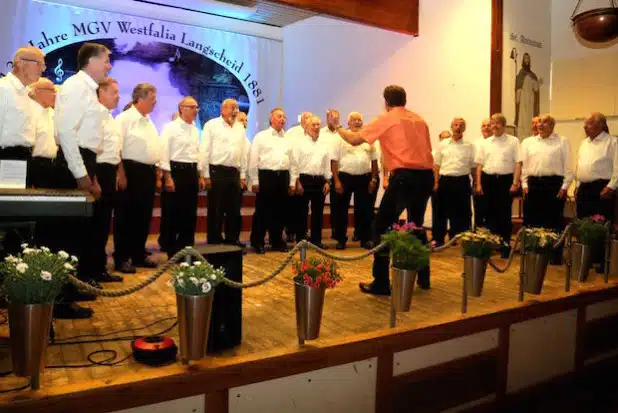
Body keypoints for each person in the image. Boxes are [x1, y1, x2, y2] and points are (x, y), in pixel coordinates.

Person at [336, 85, 434, 295]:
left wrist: (336, 127)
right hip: (425, 176)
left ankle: (381, 282)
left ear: (386, 102)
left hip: (405, 177)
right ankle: (424, 276)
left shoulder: (388, 118)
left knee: (380, 227)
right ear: (404, 100)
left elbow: (354, 139)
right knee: (416, 225)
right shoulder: (420, 119)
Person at [114, 83, 160, 273]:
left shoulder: (148, 120)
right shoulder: (124, 119)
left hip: (147, 173)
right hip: (131, 171)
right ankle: (122, 257)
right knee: (126, 216)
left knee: (143, 216)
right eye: (152, 98)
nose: (155, 102)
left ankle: (138, 254)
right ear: (140, 99)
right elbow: (116, 148)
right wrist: (121, 173)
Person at [521, 114, 572, 264]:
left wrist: (565, 186)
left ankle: (554, 256)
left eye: (545, 123)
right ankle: (533, 253)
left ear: (552, 125)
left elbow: (569, 166)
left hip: (554, 184)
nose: (540, 125)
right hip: (533, 184)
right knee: (532, 220)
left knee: (554, 220)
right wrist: (524, 185)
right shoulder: (528, 142)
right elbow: (525, 166)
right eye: (539, 123)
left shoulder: (562, 142)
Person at [160, 96, 204, 257]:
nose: (196, 110)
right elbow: (164, 152)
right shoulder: (170, 127)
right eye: (192, 107)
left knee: (189, 213)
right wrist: (168, 177)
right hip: (176, 171)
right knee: (173, 213)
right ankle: (172, 251)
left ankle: (187, 249)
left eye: (197, 107)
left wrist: (200, 175)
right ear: (182, 108)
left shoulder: (194, 129)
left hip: (191, 172)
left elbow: (197, 153)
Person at [202, 98, 249, 247]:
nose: (235, 111)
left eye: (236, 108)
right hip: (217, 171)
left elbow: (242, 153)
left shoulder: (240, 128)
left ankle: (232, 238)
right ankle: (214, 239)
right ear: (222, 110)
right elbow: (205, 150)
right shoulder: (212, 125)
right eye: (231, 108)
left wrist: (242, 176)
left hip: (234, 172)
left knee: (233, 209)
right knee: (216, 208)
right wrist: (206, 175)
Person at [575, 112, 618, 271]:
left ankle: (601, 261)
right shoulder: (584, 143)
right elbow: (581, 165)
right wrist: (578, 184)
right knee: (583, 223)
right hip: (585, 188)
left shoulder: (612, 142)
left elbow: (617, 167)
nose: (585, 127)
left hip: (602, 188)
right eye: (585, 124)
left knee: (600, 225)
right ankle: (586, 258)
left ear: (601, 125)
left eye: (589, 123)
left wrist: (611, 186)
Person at [475, 113, 521, 258]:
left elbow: (518, 163)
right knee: (487, 214)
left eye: (497, 123)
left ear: (503, 125)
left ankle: (505, 247)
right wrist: (478, 184)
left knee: (504, 215)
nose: (493, 126)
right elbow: (479, 165)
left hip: (505, 181)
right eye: (492, 123)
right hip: (487, 180)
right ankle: (489, 246)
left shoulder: (513, 141)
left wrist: (515, 182)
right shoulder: (485, 143)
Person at [249, 108, 295, 254]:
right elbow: (254, 160)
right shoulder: (261, 137)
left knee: (281, 211)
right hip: (266, 176)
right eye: (279, 116)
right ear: (271, 118)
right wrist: (254, 180)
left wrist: (293, 181)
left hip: (283, 177)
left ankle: (276, 241)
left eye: (284, 117)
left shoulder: (288, 138)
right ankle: (258, 241)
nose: (283, 119)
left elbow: (293, 162)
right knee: (263, 210)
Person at [332, 112, 379, 250]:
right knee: (341, 210)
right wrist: (336, 181)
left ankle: (365, 239)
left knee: (365, 210)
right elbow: (334, 161)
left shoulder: (369, 138)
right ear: (348, 123)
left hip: (364, 177)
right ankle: (341, 239)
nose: (357, 122)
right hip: (344, 177)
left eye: (360, 120)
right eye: (354, 120)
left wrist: (374, 179)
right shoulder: (339, 138)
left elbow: (374, 160)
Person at [93, 77, 124, 282]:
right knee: (95, 225)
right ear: (101, 93)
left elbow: (114, 150)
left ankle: (99, 268)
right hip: (98, 171)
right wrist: (93, 178)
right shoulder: (95, 116)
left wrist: (117, 173)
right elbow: (90, 151)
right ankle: (90, 271)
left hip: (109, 172)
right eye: (114, 92)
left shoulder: (110, 117)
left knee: (104, 225)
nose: (118, 96)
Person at [0, 46, 45, 186]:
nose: (43, 69)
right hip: (7, 159)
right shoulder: (4, 89)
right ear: (20, 62)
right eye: (39, 64)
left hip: (25, 157)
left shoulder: (26, 94)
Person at [432, 118, 475, 245]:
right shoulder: (443, 145)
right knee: (441, 211)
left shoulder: (469, 146)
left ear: (464, 129)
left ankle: (460, 238)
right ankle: (438, 239)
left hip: (462, 181)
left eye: (461, 125)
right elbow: (437, 165)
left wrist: (476, 183)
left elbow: (472, 166)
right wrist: (436, 182)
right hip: (445, 180)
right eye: (456, 125)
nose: (458, 127)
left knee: (463, 211)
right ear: (451, 127)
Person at [293, 116, 331, 248]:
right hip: (303, 179)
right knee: (301, 212)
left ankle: (316, 240)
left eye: (318, 125)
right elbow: (294, 164)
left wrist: (327, 181)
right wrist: (296, 182)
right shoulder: (299, 143)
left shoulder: (324, 145)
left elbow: (327, 165)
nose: (316, 127)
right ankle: (300, 240)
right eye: (313, 125)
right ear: (306, 127)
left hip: (319, 180)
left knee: (318, 212)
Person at [285, 111, 313, 242]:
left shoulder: (315, 135)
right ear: (301, 120)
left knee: (303, 207)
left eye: (310, 118)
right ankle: (290, 231)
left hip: (308, 173)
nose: (308, 120)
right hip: (294, 172)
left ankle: (302, 232)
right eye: (306, 118)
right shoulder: (292, 132)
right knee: (292, 205)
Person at [29, 77, 58, 188]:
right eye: (51, 90)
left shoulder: (53, 113)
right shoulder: (28, 113)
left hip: (54, 167)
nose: (55, 94)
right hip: (36, 167)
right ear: (37, 91)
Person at [430, 130, 452, 247]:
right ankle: (438, 237)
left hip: (450, 182)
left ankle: (454, 236)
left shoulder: (454, 151)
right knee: (438, 212)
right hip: (437, 183)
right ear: (439, 139)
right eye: (443, 138)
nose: (446, 140)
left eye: (448, 138)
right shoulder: (434, 152)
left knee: (453, 210)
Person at [515, 52, 540, 140]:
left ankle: (530, 136)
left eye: (528, 58)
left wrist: (538, 82)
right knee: (523, 118)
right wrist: (517, 100)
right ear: (523, 60)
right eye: (525, 58)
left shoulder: (533, 75)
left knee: (529, 118)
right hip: (523, 99)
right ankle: (522, 137)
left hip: (531, 99)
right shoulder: (521, 74)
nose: (527, 60)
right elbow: (518, 88)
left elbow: (536, 89)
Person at [472, 120, 492, 229]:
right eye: (484, 126)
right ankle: (478, 234)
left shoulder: (496, 142)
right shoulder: (475, 143)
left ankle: (491, 233)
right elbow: (473, 165)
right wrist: (476, 182)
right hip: (478, 178)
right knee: (479, 207)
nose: (486, 128)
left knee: (491, 208)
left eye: (489, 125)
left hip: (492, 178)